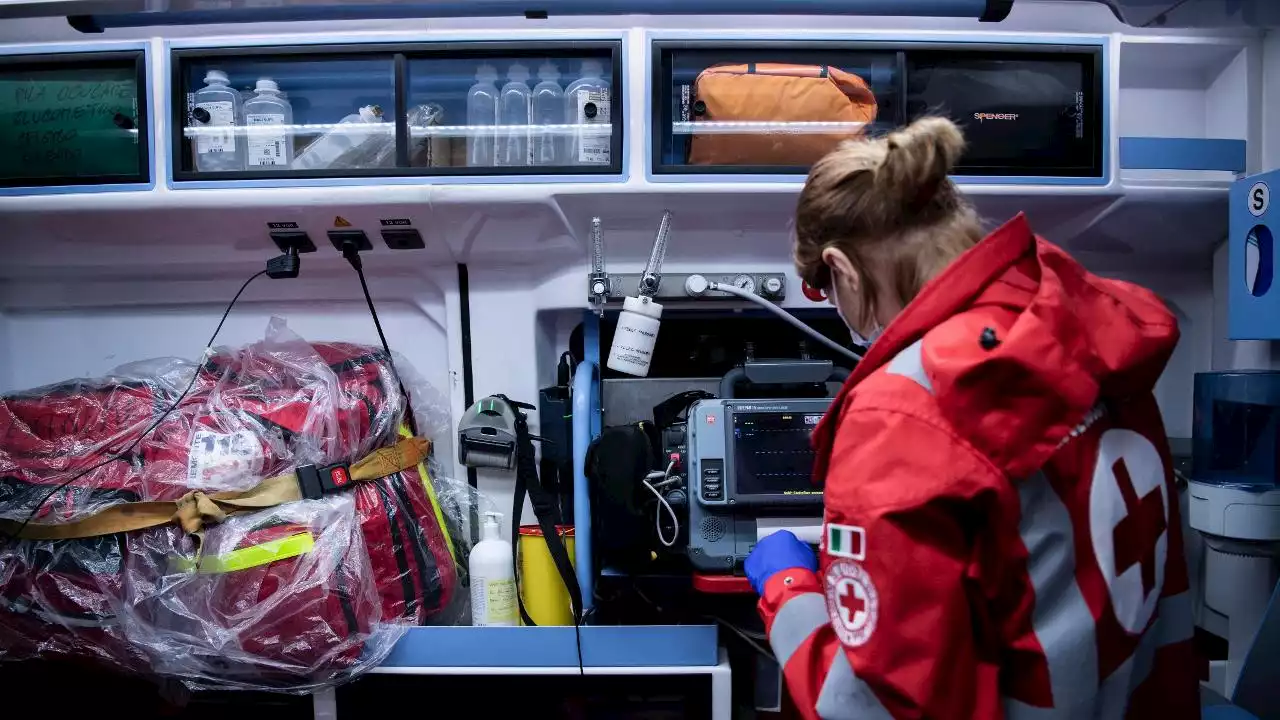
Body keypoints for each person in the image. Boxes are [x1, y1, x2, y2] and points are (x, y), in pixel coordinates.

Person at [744, 117, 1199, 719]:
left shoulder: (903, 412)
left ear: (842, 268)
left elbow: (872, 707)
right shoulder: (1087, 333)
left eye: (824, 291)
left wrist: (788, 588)